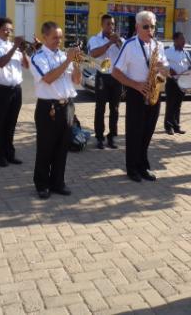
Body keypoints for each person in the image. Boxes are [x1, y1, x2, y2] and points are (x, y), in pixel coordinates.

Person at [112, 11, 169, 182]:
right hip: (136, 93)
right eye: (146, 26)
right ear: (137, 27)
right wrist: (136, 85)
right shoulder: (129, 45)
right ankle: (132, 168)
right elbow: (115, 72)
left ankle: (143, 165)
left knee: (147, 132)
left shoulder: (158, 46)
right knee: (134, 133)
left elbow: (166, 71)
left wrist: (161, 68)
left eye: (153, 26)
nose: (150, 30)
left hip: (154, 92)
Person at [29, 22, 81, 199]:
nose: (58, 41)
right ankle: (42, 185)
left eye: (60, 37)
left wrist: (77, 64)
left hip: (67, 105)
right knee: (45, 148)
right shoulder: (38, 57)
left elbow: (76, 80)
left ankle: (58, 183)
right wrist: (68, 60)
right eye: (54, 38)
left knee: (62, 148)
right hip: (48, 108)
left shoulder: (63, 55)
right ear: (44, 37)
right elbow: (49, 78)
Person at [0, 17, 29, 167]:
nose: (9, 32)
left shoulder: (12, 46)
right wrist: (15, 47)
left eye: (11, 29)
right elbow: (1, 63)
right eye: (5, 29)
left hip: (16, 89)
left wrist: (24, 51)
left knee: (11, 124)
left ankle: (10, 154)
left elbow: (26, 66)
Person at [87, 14, 124, 149]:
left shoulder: (120, 40)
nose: (111, 27)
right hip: (102, 76)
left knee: (114, 109)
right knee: (100, 108)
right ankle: (99, 138)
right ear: (102, 25)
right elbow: (93, 54)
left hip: (116, 77)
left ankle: (112, 137)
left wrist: (119, 43)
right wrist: (109, 43)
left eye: (113, 24)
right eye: (108, 24)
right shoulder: (95, 39)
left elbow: (126, 55)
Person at [164, 32, 191, 135]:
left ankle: (176, 126)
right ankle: (168, 126)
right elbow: (162, 64)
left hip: (183, 82)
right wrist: (169, 69)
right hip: (172, 82)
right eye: (181, 39)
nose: (183, 41)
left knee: (178, 105)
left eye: (184, 39)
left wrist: (190, 70)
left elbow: (189, 66)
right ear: (175, 40)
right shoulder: (167, 52)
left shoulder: (186, 53)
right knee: (170, 104)